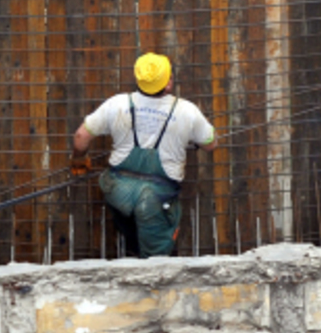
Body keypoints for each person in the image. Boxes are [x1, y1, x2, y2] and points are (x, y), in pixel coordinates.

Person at [72, 53, 216, 257]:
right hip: (156, 200)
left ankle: (133, 252)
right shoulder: (187, 111)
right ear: (167, 84)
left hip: (119, 193)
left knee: (132, 238)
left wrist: (78, 159)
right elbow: (210, 144)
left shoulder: (118, 104)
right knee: (155, 257)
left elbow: (80, 137)